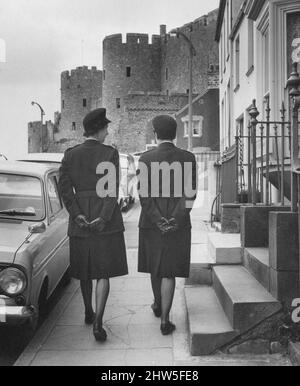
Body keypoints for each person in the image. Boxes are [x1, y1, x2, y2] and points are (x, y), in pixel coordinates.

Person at [58, 108, 128, 342]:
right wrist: (104, 218)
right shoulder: (110, 153)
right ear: (98, 130)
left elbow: (65, 190)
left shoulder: (70, 154)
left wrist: (77, 215)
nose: (107, 133)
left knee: (85, 271)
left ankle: (88, 311)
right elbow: (111, 190)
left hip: (80, 220)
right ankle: (98, 322)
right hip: (105, 221)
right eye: (106, 129)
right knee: (103, 272)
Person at [138, 115, 197, 336]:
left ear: (155, 133)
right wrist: (175, 219)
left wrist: (158, 219)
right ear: (175, 133)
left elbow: (143, 196)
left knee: (156, 266)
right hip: (178, 222)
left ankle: (157, 304)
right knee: (169, 271)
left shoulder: (145, 159)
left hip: (151, 222)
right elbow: (190, 194)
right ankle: (165, 319)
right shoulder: (188, 158)